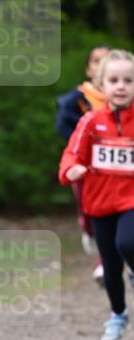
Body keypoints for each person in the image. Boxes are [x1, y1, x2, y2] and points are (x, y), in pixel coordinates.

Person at [59, 48, 134, 340]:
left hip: (131, 200)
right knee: (110, 268)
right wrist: (71, 170)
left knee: (127, 242)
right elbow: (71, 154)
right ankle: (118, 314)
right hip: (99, 204)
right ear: (101, 84)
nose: (121, 86)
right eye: (114, 80)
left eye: (128, 80)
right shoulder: (90, 121)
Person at [56, 45, 110, 284]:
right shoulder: (76, 100)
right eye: (97, 61)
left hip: (117, 172)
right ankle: (89, 231)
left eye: (108, 60)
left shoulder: (124, 96)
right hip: (86, 169)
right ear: (89, 69)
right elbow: (63, 127)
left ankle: (105, 264)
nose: (102, 65)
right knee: (91, 213)